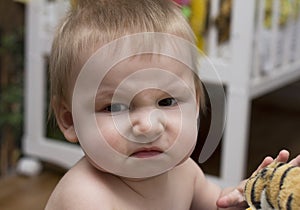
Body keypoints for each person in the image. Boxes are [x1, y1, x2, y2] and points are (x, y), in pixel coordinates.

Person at [45, 0, 300, 209]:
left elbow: (218, 203)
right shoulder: (85, 199)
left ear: (196, 105)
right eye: (114, 108)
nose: (148, 126)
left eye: (166, 101)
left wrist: (252, 193)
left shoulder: (184, 172)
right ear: (69, 120)